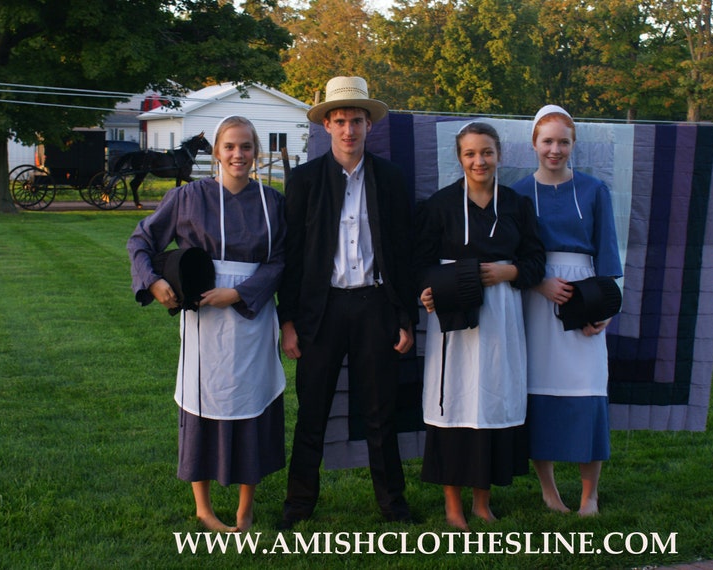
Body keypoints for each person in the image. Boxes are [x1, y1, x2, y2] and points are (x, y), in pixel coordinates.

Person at [127, 116, 287, 532]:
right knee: (203, 402)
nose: (238, 155)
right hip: (203, 322)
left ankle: (245, 507)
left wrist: (238, 293)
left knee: (250, 403)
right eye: (230, 146)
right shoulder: (188, 198)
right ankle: (203, 506)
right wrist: (153, 280)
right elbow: (141, 240)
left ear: (256, 152)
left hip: (251, 315)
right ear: (216, 151)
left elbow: (281, 260)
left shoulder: (273, 202)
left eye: (246, 147)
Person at [277, 76, 417, 528]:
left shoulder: (391, 180)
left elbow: (402, 252)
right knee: (312, 412)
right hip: (322, 309)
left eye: (356, 121)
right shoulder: (304, 181)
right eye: (339, 121)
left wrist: (404, 318)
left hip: (374, 305)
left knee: (380, 413)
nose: (348, 130)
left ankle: (393, 506)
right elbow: (291, 256)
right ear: (327, 126)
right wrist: (289, 321)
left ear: (368, 125)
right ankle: (298, 506)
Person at [414, 122, 545, 530]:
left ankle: (482, 502)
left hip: (501, 316)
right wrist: (426, 291)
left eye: (486, 152)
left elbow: (536, 261)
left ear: (499, 155)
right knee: (454, 402)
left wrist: (509, 272)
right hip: (454, 315)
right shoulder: (439, 205)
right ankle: (453, 504)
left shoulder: (517, 206)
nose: (479, 161)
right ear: (460, 158)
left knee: (489, 400)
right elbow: (420, 262)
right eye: (470, 153)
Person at [512, 105, 623, 516]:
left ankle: (588, 495)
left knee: (588, 389)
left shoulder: (595, 190)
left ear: (573, 145)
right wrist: (538, 283)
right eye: (547, 141)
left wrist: (606, 308)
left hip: (586, 292)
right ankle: (549, 490)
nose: (554, 150)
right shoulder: (520, 193)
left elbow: (608, 250)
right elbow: (512, 253)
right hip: (537, 298)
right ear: (534, 145)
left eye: (563, 142)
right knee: (540, 390)